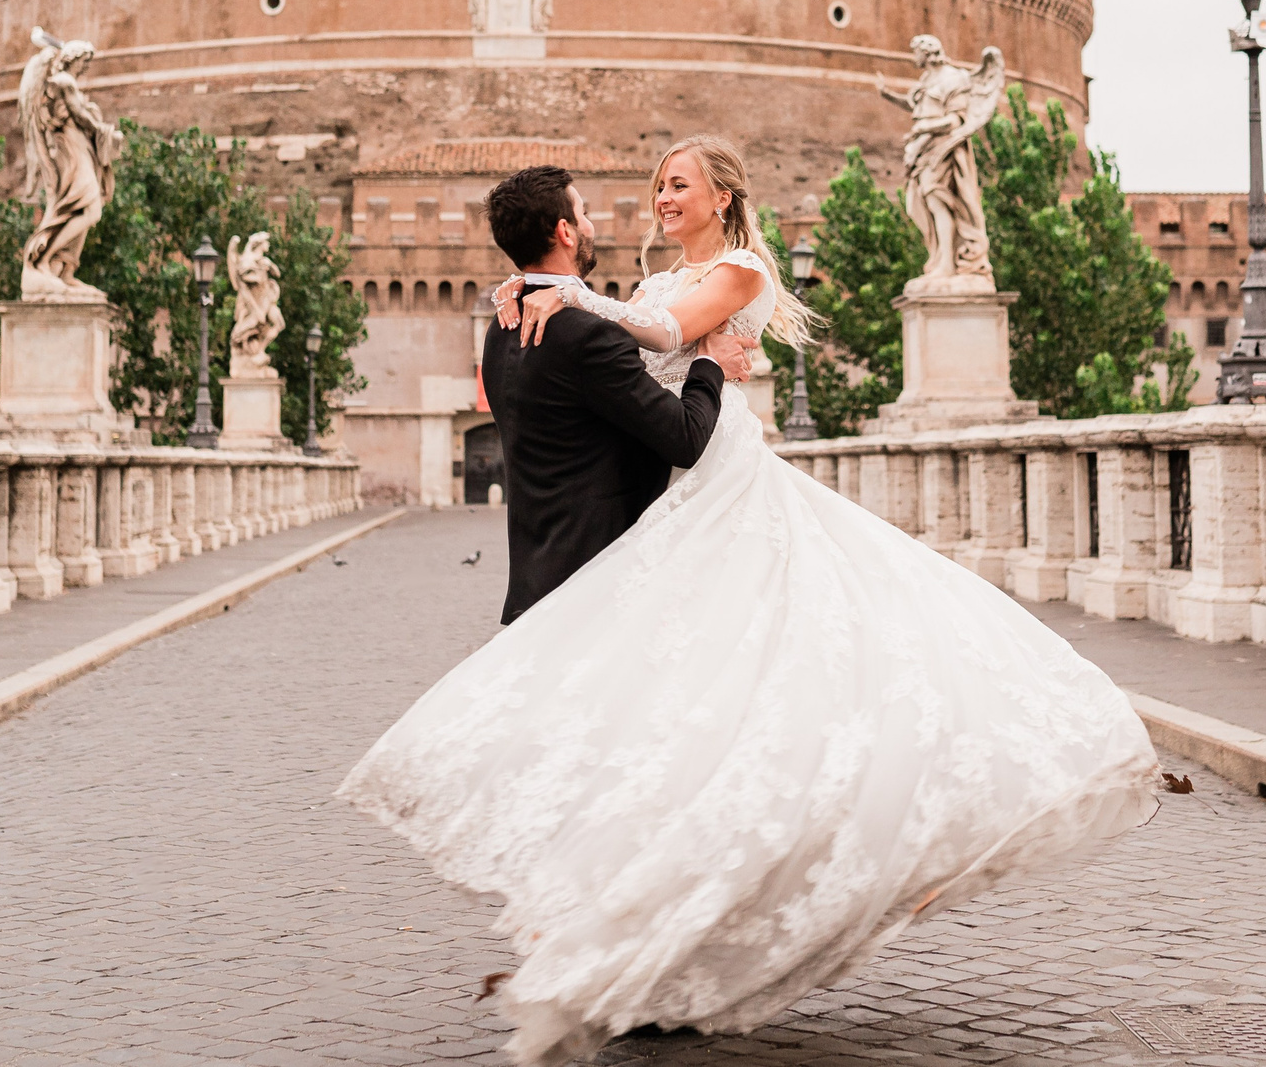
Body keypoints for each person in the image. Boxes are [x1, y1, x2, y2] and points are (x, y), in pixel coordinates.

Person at [340, 137, 1158, 1066]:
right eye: (655, 184)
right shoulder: (648, 280)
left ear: (726, 196)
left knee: (774, 683)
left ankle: (713, 894)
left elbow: (656, 340)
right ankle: (654, 916)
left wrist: (561, 292)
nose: (659, 197)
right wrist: (548, 294)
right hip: (666, 511)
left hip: (719, 485)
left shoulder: (739, 269)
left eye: (677, 183)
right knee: (698, 716)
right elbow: (628, 339)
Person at [473, 164, 752, 623]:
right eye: (583, 213)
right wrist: (709, 363)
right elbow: (684, 438)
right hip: (596, 581)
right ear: (565, 231)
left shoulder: (500, 327)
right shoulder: (588, 337)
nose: (591, 225)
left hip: (535, 578)